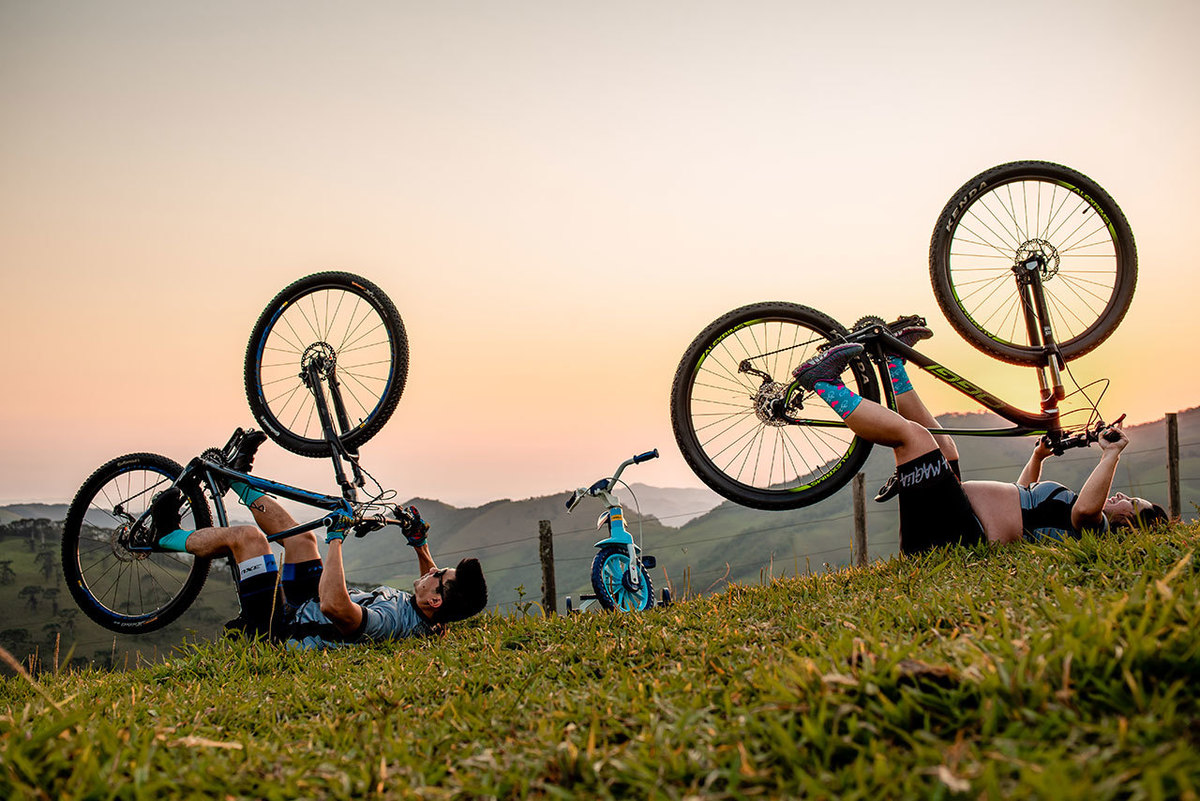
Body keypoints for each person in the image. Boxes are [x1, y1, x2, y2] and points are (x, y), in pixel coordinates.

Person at [791, 322, 1169, 555]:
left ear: (1128, 527)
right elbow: (1023, 497)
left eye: (1130, 503)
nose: (1120, 496)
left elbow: (1087, 510)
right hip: (956, 516)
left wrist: (1111, 455)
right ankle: (893, 361)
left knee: (915, 439)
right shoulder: (1069, 521)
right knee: (944, 445)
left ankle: (823, 382)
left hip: (956, 533)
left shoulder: (1095, 528)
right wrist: (1037, 458)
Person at [146, 430, 488, 646]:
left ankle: (166, 535)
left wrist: (336, 538)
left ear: (436, 601)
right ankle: (237, 477)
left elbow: (335, 607)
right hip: (305, 603)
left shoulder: (390, 622)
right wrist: (419, 542)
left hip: (279, 626)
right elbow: (432, 582)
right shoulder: (432, 616)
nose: (433, 571)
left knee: (249, 539)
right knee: (303, 540)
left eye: (439, 575)